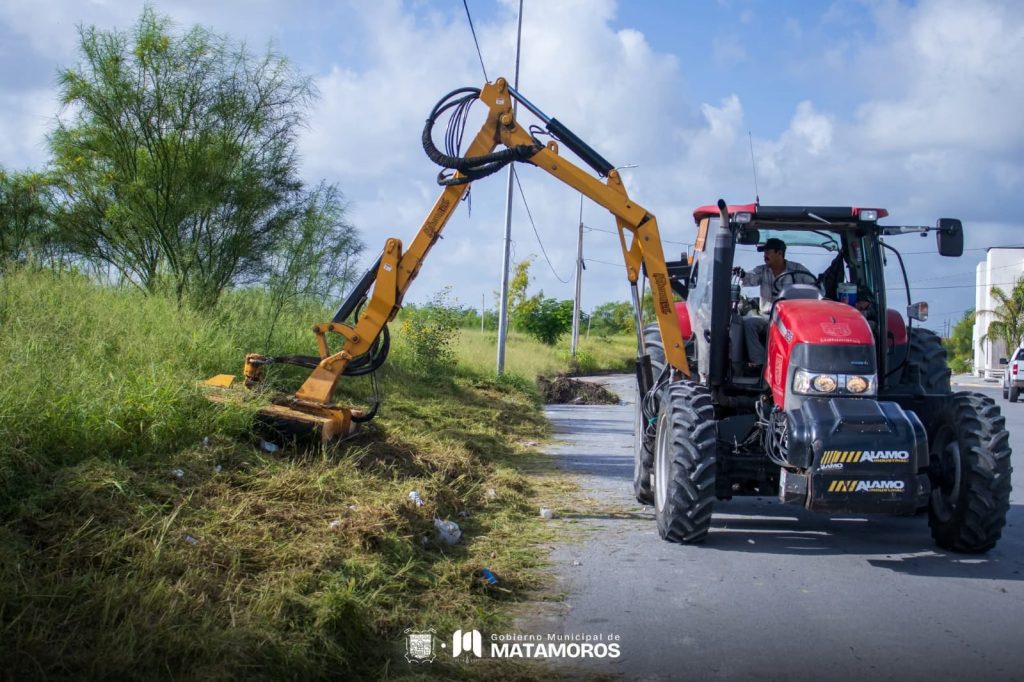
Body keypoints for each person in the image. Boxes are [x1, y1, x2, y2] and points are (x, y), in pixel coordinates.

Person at [731, 238, 813, 365]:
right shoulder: (762, 270)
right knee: (749, 324)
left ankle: (797, 364)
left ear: (779, 253)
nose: (765, 255)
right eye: (764, 252)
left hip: (790, 319)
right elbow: (750, 278)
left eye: (768, 252)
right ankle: (760, 363)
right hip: (767, 317)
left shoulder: (797, 270)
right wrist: (741, 274)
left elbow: (815, 287)